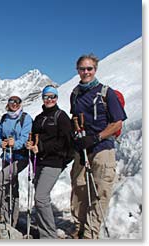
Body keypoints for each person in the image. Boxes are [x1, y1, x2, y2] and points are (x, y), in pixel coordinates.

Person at [69, 54, 127, 239]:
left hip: (102, 147)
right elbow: (75, 118)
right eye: (82, 69)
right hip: (82, 148)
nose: (86, 72)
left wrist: (96, 138)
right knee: (79, 189)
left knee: (100, 190)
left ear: (95, 70)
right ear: (77, 70)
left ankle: (90, 234)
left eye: (89, 69)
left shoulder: (106, 93)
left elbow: (117, 123)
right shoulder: (75, 94)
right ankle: (78, 227)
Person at [26, 85, 73, 239]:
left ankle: (49, 236)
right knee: (41, 198)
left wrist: (41, 147)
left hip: (54, 161)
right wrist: (31, 144)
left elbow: (65, 141)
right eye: (47, 97)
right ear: (43, 98)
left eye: (52, 96)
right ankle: (43, 231)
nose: (49, 99)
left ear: (57, 98)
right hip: (39, 161)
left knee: (41, 197)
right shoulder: (39, 118)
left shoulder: (61, 116)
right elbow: (34, 138)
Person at [0, 92, 32, 227]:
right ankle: (12, 220)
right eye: (11, 101)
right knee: (11, 187)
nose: (14, 104)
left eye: (17, 101)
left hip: (20, 157)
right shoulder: (4, 118)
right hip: (7, 156)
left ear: (21, 104)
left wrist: (16, 144)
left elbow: (26, 137)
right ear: (8, 103)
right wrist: (1, 143)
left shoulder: (26, 118)